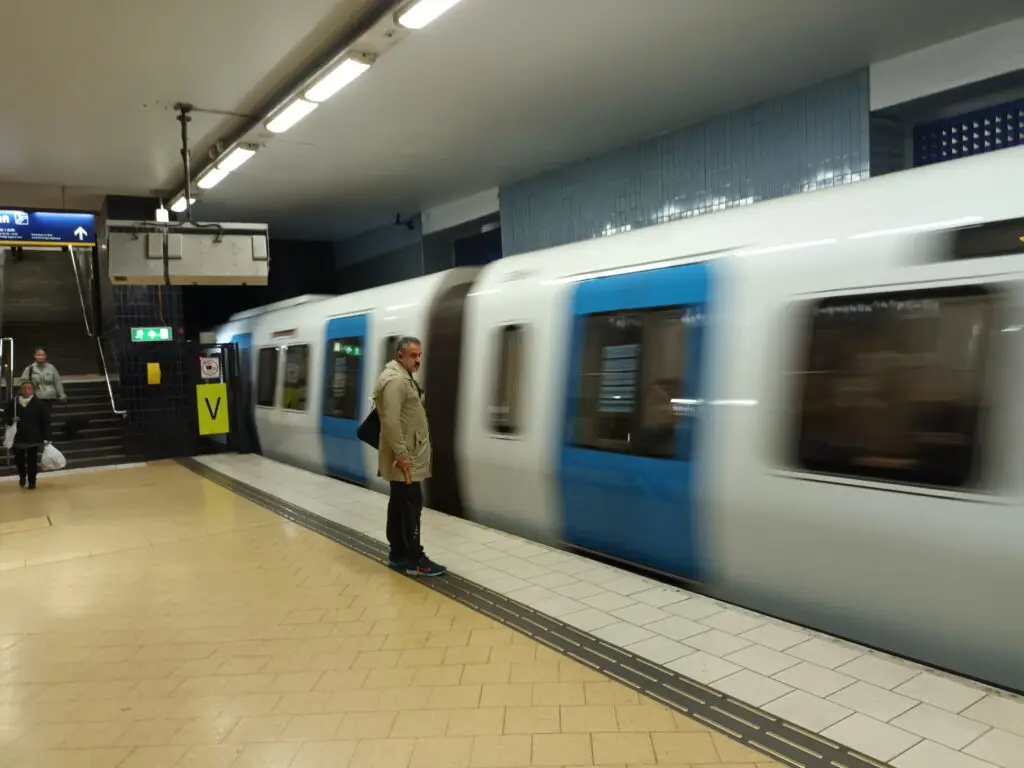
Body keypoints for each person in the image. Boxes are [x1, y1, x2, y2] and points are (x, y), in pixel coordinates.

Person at [373, 336, 446, 577]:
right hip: (405, 460)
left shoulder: (403, 378)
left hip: (406, 456)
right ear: (400, 355)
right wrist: (403, 455)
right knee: (411, 506)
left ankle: (398, 554)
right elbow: (391, 421)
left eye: (419, 355)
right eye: (413, 355)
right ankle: (416, 559)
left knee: (399, 505)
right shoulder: (396, 381)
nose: (418, 360)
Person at [4, 381, 51, 490]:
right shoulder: (14, 402)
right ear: (20, 390)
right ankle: (22, 476)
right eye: (25, 388)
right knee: (19, 460)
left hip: (33, 437)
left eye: (29, 388)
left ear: (33, 390)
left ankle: (32, 481)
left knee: (32, 461)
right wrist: (11, 420)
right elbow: (6, 416)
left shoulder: (39, 404)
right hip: (18, 436)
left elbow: (45, 421)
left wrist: (47, 436)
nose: (27, 390)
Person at [21, 347, 66, 416]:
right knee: (38, 416)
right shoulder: (30, 368)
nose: (40, 357)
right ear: (35, 356)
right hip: (36, 396)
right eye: (38, 355)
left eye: (43, 355)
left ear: (45, 356)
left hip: (50, 396)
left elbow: (57, 382)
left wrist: (61, 394)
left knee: (47, 415)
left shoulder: (51, 367)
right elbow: (23, 382)